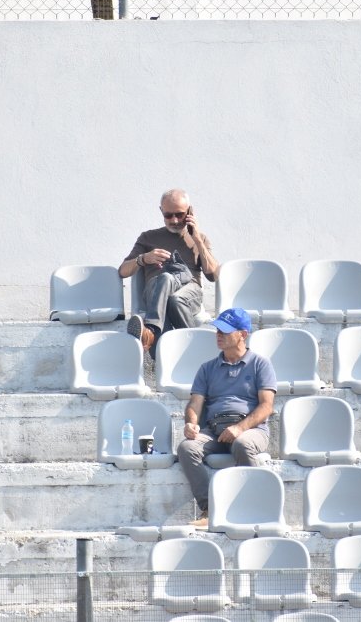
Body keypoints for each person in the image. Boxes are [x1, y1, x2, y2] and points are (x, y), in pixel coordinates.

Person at [176, 307, 277, 525]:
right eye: (218, 330)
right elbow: (194, 403)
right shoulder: (207, 368)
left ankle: (254, 507)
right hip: (214, 429)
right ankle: (210, 510)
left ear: (243, 334)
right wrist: (191, 424)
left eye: (225, 331)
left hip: (251, 429)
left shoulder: (260, 364)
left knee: (242, 444)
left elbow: (266, 406)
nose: (218, 335)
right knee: (186, 448)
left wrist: (240, 428)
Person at [119, 189, 219, 353]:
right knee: (168, 287)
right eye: (168, 215)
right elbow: (122, 271)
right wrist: (143, 258)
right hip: (155, 289)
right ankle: (194, 353)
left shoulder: (200, 238)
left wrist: (198, 241)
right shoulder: (148, 237)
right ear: (161, 211)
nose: (174, 220)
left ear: (189, 212)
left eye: (180, 215)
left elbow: (213, 275)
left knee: (174, 297)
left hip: (189, 292)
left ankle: (152, 333)